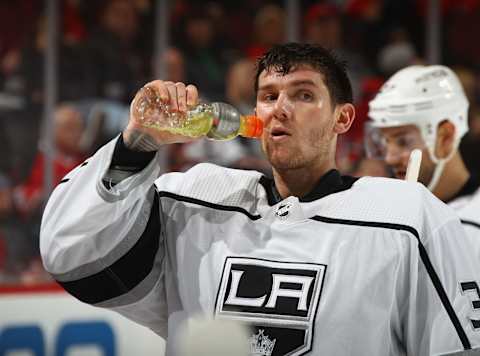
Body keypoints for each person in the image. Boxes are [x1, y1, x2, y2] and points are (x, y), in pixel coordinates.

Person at [40, 43, 480, 355]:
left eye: (303, 95)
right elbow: (71, 255)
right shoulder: (194, 200)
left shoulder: (408, 216)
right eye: (268, 97)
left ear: (343, 118)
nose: (279, 109)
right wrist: (136, 144)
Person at [366, 64, 480, 258]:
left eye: (403, 141)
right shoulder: (388, 216)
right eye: (385, 141)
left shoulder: (471, 230)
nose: (389, 157)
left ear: (446, 137)